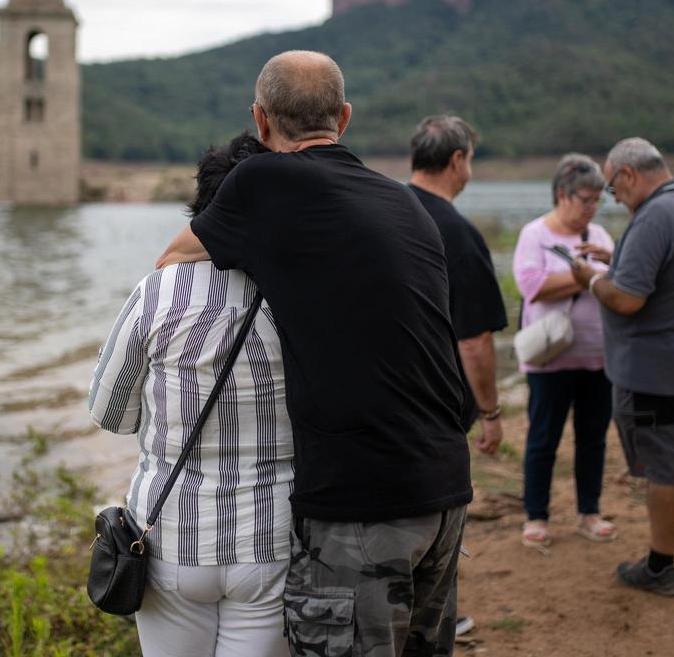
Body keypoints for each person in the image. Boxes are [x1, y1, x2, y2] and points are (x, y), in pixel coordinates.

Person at [157, 50, 473, 655]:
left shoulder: (263, 180)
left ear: (261, 121)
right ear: (344, 119)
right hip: (445, 488)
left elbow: (173, 258)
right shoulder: (403, 202)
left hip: (362, 505)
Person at [89, 133, 293, 656]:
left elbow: (110, 411)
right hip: (271, 537)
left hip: (171, 536)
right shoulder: (306, 294)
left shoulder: (159, 290)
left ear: (202, 208)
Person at [571, 138, 674, 597]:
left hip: (652, 372)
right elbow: (669, 272)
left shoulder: (654, 216)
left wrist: (592, 280)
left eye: (612, 189)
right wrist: (619, 261)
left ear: (627, 174)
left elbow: (627, 299)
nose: (614, 198)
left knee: (666, 467)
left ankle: (661, 565)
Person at [406, 114, 509, 642]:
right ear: (456, 161)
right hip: (439, 408)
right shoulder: (458, 233)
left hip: (387, 394)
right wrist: (490, 412)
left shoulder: (386, 210)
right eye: (470, 157)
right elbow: (474, 339)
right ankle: (439, 617)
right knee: (440, 515)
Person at [512, 154, 616, 548]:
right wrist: (590, 278)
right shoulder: (535, 234)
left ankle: (590, 512)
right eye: (585, 199)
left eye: (596, 200)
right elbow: (534, 286)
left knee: (593, 438)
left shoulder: (601, 237)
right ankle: (536, 517)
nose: (591, 207)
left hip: (598, 357)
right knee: (543, 439)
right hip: (550, 359)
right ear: (562, 194)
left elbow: (617, 285)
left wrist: (590, 276)